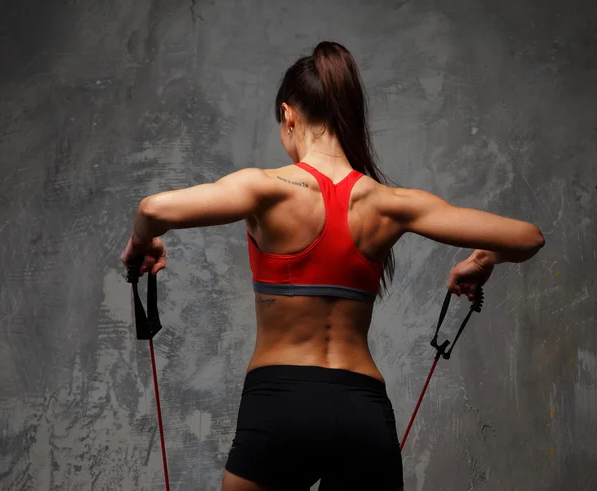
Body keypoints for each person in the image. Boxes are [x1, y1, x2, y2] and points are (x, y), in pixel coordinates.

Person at [121, 41, 545, 491]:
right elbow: (528, 238)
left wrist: (140, 244)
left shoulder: (265, 188)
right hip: (362, 408)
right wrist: (482, 260)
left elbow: (153, 209)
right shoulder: (391, 203)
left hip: (280, 403)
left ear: (289, 115)